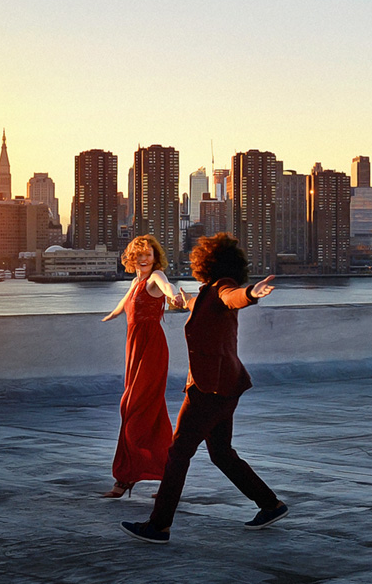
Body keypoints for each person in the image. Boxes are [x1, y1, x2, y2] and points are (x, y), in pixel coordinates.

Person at [121, 232, 285, 543]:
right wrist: (183, 301)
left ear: (206, 261)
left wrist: (251, 293)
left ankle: (158, 525)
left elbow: (232, 297)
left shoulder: (222, 287)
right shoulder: (208, 292)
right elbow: (203, 304)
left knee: (178, 453)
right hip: (226, 385)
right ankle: (270, 504)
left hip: (208, 389)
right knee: (221, 453)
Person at [100, 234, 182, 498]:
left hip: (151, 350)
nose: (144, 259)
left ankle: (129, 477)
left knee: (134, 411)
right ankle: (132, 477)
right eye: (139, 255)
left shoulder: (157, 277)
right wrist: (113, 313)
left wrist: (174, 298)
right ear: (131, 259)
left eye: (148, 254)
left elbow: (167, 287)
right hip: (133, 350)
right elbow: (126, 302)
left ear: (155, 257)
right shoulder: (137, 282)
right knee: (144, 413)